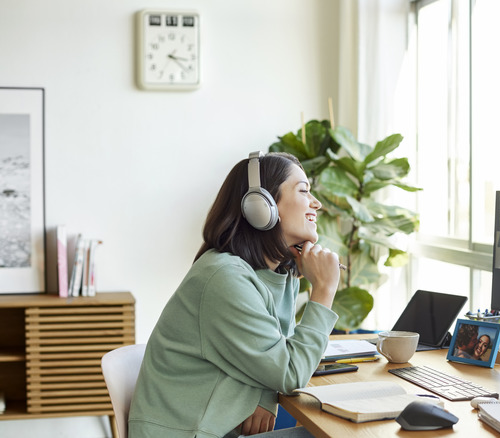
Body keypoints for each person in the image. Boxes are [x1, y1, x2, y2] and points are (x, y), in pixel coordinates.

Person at [129, 152, 341, 438]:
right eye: (304, 191)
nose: (316, 203)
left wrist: (264, 395)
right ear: (260, 206)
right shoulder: (224, 278)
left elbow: (275, 354)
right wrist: (325, 289)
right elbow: (291, 373)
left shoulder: (278, 274)